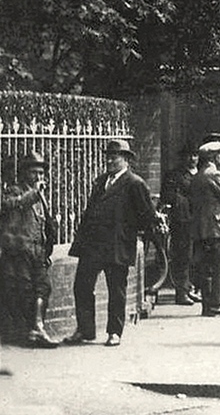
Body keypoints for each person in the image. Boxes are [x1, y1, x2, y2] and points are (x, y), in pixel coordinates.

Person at [64, 140, 154, 346]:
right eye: (108, 156)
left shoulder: (135, 183)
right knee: (82, 286)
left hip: (117, 245)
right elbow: (90, 211)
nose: (110, 160)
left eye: (115, 157)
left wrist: (127, 230)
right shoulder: (101, 181)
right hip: (93, 245)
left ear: (126, 160)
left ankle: (115, 332)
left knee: (116, 290)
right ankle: (85, 330)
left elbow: (146, 216)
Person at [1, 151, 60, 347]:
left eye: (41, 173)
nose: (38, 177)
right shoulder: (14, 191)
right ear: (24, 173)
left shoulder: (40, 196)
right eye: (34, 172)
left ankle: (37, 327)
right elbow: (9, 205)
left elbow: (44, 224)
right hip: (19, 251)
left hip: (37, 251)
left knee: (43, 287)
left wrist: (47, 249)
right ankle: (31, 331)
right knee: (24, 291)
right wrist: (33, 194)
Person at [189, 140, 220, 319]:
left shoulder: (197, 176)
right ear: (215, 157)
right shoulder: (216, 174)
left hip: (200, 228)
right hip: (217, 226)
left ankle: (207, 306)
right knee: (219, 267)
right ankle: (217, 304)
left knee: (205, 268)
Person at [160, 145, 199, 305]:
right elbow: (167, 195)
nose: (192, 159)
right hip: (182, 220)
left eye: (195, 155)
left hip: (199, 220)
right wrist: (185, 201)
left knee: (195, 257)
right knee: (183, 256)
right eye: (189, 155)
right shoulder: (174, 175)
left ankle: (190, 288)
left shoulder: (201, 173)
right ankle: (181, 292)